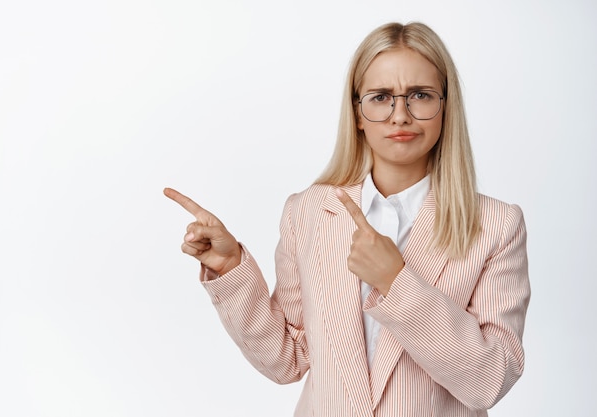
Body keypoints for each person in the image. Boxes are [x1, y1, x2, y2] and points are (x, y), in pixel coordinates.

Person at [164, 21, 530, 417]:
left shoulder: (495, 225)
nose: (400, 115)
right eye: (381, 97)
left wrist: (396, 282)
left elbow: (490, 378)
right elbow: (287, 358)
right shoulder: (307, 212)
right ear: (357, 113)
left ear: (445, 107)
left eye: (420, 95)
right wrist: (231, 267)